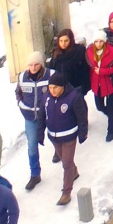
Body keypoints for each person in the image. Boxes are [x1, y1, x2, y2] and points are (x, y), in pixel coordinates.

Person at [39, 71, 89, 207]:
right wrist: (40, 133)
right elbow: (42, 115)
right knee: (65, 160)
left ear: (62, 86)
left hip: (69, 137)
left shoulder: (74, 97)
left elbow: (81, 116)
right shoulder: (46, 97)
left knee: (66, 163)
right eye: (50, 87)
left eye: (55, 87)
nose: (52, 90)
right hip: (54, 137)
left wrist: (82, 133)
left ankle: (66, 192)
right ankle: (74, 172)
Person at [13, 52, 50, 191]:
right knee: (32, 146)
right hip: (30, 117)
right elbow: (18, 92)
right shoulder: (22, 76)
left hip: (48, 114)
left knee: (56, 138)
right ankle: (35, 174)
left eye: (36, 65)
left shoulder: (51, 75)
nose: (33, 68)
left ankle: (60, 155)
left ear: (41, 64)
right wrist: (21, 105)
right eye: (30, 65)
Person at [86, 33, 113, 141]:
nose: (98, 44)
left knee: (111, 109)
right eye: (96, 41)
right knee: (99, 106)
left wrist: (103, 71)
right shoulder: (89, 52)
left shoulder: (112, 51)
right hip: (97, 84)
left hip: (110, 83)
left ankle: (111, 130)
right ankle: (111, 115)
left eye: (101, 41)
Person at [48, 29, 88, 96]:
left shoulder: (79, 50)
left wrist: (84, 87)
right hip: (60, 88)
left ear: (71, 40)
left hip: (76, 87)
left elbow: (85, 70)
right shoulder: (57, 53)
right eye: (61, 41)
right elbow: (51, 69)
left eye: (66, 41)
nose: (63, 43)